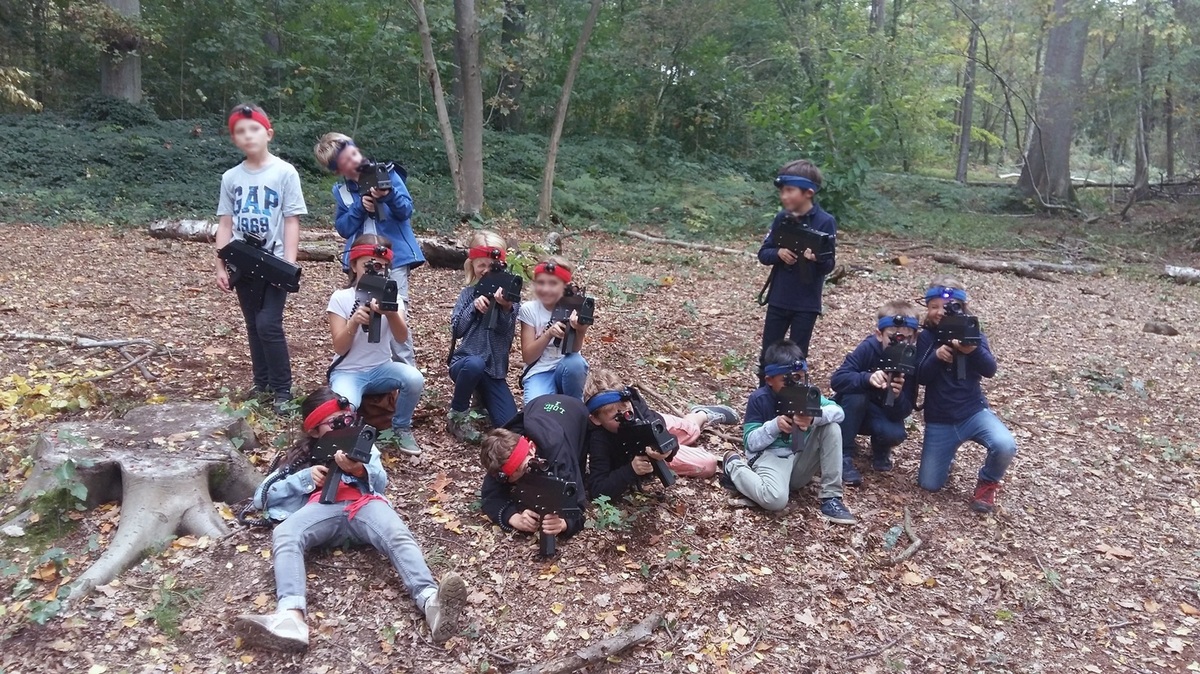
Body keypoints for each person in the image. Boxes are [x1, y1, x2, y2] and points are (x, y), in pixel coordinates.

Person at [234, 386, 467, 651]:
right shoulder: (301, 456)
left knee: (397, 533)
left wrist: (359, 469)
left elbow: (381, 482)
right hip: (321, 508)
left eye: (348, 419)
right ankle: (290, 617)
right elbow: (261, 496)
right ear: (313, 430)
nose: (345, 426)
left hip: (363, 504)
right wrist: (303, 478)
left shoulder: (363, 442)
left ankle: (431, 603)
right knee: (285, 534)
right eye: (335, 423)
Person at [215, 103, 307, 413]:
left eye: (253, 129)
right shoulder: (231, 177)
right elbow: (225, 223)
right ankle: (263, 382)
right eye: (240, 131)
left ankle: (283, 390)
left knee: (269, 323)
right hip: (242, 259)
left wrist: (289, 264)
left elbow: (292, 219)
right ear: (234, 139)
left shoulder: (284, 172)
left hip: (274, 261)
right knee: (253, 323)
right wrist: (220, 263)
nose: (248, 135)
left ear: (268, 133)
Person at [313, 132, 424, 366]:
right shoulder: (342, 192)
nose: (354, 160)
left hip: (394, 258)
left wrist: (387, 196)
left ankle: (406, 372)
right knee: (362, 307)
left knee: (394, 307)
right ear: (338, 170)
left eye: (354, 153)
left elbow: (406, 211)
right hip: (361, 259)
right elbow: (343, 228)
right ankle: (366, 368)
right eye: (346, 160)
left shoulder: (388, 174)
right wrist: (359, 207)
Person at [720, 340, 855, 524]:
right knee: (775, 500)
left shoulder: (807, 394)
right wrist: (774, 426)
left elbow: (839, 412)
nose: (795, 385)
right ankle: (733, 465)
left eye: (799, 378)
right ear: (769, 380)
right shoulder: (760, 399)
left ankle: (831, 497)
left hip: (799, 458)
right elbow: (750, 443)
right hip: (771, 457)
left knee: (831, 427)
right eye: (787, 380)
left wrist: (813, 418)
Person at [915, 277, 1017, 513]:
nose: (941, 312)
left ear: (963, 308)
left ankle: (987, 483)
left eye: (949, 307)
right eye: (934, 307)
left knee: (1005, 444)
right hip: (940, 419)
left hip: (973, 412)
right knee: (929, 485)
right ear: (927, 309)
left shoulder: (974, 334)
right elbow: (920, 377)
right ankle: (946, 457)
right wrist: (936, 356)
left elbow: (990, 369)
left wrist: (972, 350)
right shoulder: (926, 338)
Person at [326, 235, 425, 456]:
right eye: (368, 265)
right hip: (348, 371)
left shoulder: (393, 297)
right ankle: (353, 441)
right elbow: (339, 348)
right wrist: (353, 322)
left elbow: (401, 338)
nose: (374, 271)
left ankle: (401, 427)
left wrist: (391, 314)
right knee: (345, 408)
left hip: (381, 368)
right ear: (353, 265)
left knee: (414, 378)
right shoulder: (341, 298)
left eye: (381, 267)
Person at [582, 368, 738, 500]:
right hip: (640, 454)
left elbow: (664, 435)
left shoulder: (634, 403)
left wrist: (667, 450)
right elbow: (597, 489)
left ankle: (702, 414)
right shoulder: (599, 438)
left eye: (627, 410)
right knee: (708, 464)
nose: (627, 416)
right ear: (596, 419)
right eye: (616, 416)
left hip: (655, 427)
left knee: (691, 429)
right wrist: (631, 469)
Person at [755, 159, 837, 379]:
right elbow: (764, 253)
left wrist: (816, 258)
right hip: (779, 299)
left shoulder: (825, 222)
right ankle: (763, 400)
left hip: (806, 303)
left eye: (790, 190)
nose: (784, 196)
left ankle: (792, 403)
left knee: (797, 358)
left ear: (808, 192)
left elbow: (829, 264)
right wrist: (779, 253)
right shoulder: (782, 218)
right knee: (768, 355)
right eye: (782, 191)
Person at [830, 300, 921, 486]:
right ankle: (843, 454)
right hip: (853, 410)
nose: (899, 343)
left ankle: (881, 448)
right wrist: (867, 378)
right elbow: (838, 380)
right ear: (879, 335)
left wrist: (897, 396)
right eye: (893, 338)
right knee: (856, 396)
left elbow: (905, 410)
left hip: (881, 412)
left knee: (894, 433)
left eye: (906, 338)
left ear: (914, 338)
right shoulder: (869, 348)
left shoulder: (911, 359)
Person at [479, 395, 590, 544]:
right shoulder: (500, 451)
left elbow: (578, 506)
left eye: (524, 468)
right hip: (538, 405)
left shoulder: (560, 454)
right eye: (513, 475)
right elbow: (490, 496)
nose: (525, 474)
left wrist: (564, 524)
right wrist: (513, 517)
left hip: (576, 413)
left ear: (531, 449)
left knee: (579, 474)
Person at [446, 231, 520, 443]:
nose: (487, 271)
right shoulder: (467, 294)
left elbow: (507, 333)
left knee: (510, 425)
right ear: (472, 266)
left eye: (493, 266)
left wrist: (505, 308)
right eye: (482, 266)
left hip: (494, 371)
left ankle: (482, 400)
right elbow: (457, 330)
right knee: (475, 364)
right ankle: (457, 415)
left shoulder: (511, 298)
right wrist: (474, 307)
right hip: (465, 364)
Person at [517, 257, 590, 403]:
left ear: (565, 286)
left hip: (566, 368)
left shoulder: (574, 307)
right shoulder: (529, 309)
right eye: (541, 283)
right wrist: (548, 334)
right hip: (539, 370)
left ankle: (575, 406)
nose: (545, 289)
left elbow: (574, 350)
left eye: (553, 284)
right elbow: (528, 357)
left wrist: (580, 330)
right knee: (536, 410)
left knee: (576, 362)